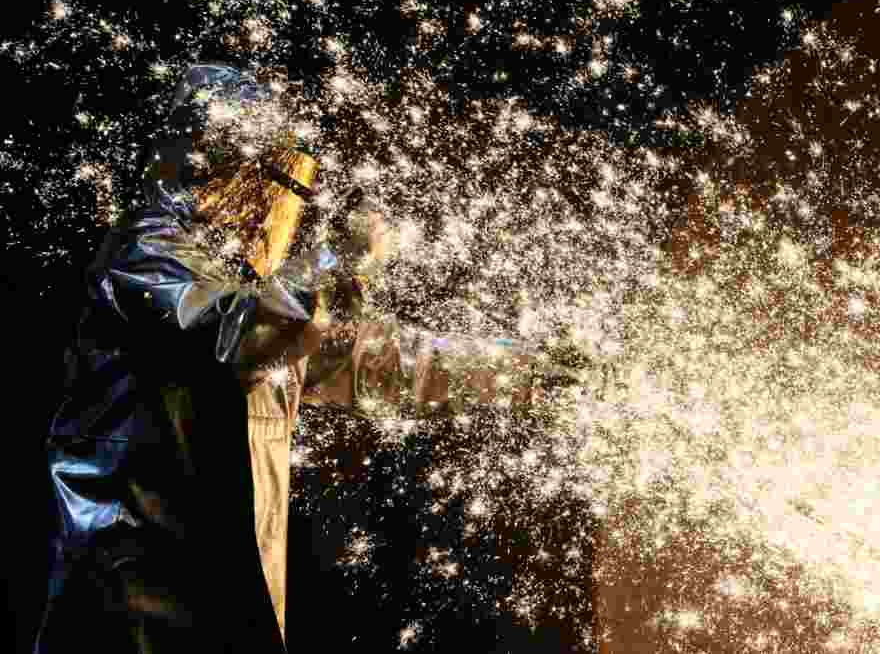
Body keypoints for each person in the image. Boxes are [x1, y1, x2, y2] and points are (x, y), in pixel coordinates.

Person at [34, 63, 549, 654]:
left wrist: (527, 371)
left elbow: (376, 362)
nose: (287, 212)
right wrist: (335, 261)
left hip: (210, 607)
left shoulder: (254, 291)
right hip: (132, 612)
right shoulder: (146, 258)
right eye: (286, 186)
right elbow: (242, 337)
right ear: (230, 170)